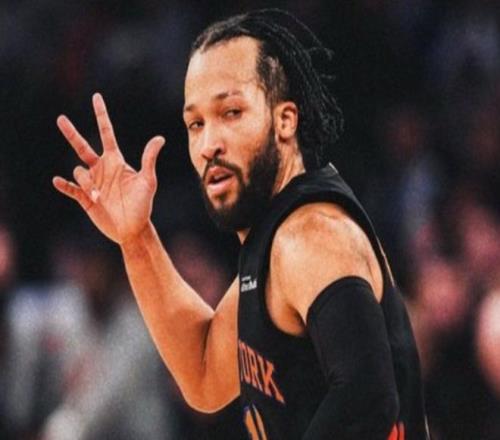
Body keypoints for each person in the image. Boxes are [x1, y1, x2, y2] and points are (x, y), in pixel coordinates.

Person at [53, 9, 429, 439]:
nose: (208, 143)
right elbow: (204, 375)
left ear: (285, 120)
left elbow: (368, 400)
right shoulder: (275, 240)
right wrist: (136, 238)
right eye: (196, 124)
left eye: (231, 112)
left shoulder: (311, 236)